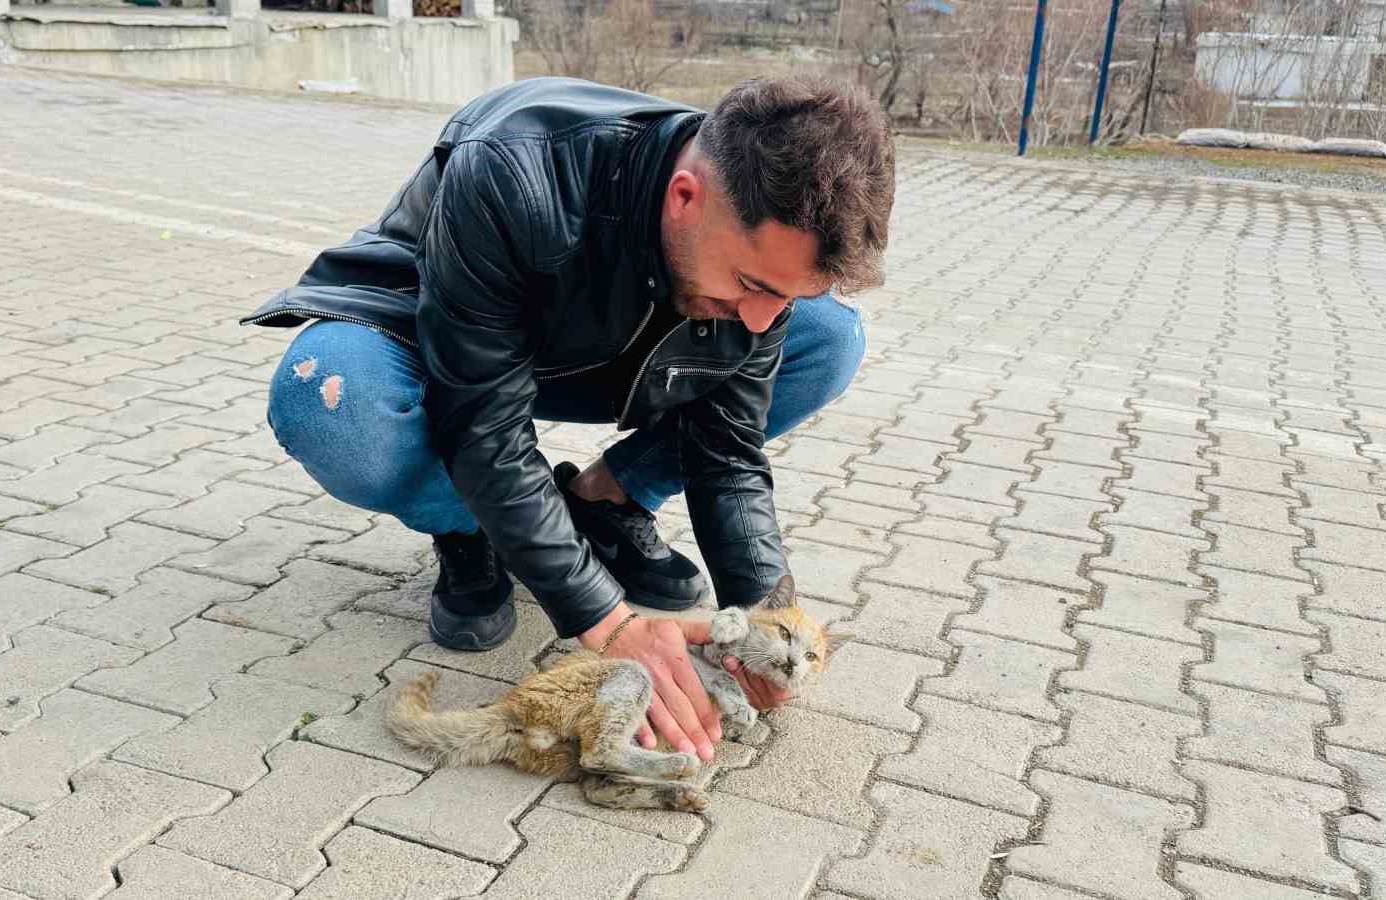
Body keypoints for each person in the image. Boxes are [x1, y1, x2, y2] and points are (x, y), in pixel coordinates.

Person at [242, 74, 896, 764]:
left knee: (830, 338)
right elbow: (485, 422)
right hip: (446, 342)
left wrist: (766, 621)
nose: (763, 319)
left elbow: (727, 452)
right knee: (329, 398)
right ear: (685, 199)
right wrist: (608, 625)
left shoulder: (751, 236)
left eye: (781, 297)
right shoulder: (515, 169)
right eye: (754, 286)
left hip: (614, 354)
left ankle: (604, 502)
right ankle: (469, 525)